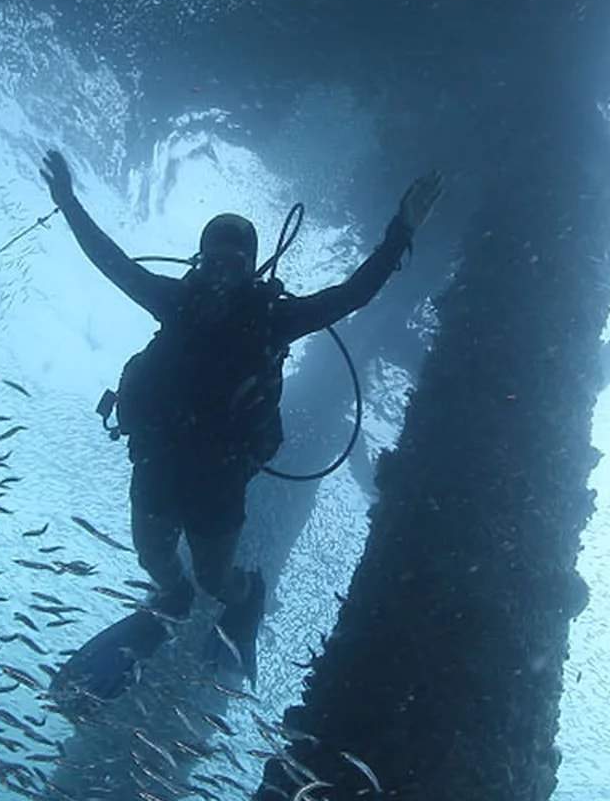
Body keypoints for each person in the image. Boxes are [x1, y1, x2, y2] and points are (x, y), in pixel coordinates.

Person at [40, 149, 442, 693]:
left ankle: (245, 594)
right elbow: (112, 262)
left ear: (251, 268)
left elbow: (353, 294)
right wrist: (67, 202)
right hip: (159, 460)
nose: (222, 273)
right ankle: (172, 597)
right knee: (153, 556)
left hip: (220, 476)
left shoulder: (274, 318)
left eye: (234, 262)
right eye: (214, 261)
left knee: (214, 578)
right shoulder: (174, 301)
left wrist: (401, 230)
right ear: (199, 261)